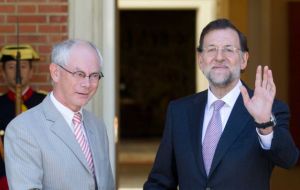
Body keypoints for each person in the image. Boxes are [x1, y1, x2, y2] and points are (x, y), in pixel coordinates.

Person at [144, 18, 299, 190]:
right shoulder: (179, 111)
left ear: (244, 60)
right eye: (211, 50)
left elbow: (289, 160)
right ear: (200, 60)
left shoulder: (269, 110)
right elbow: (160, 182)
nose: (219, 57)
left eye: (229, 50)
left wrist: (265, 124)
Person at [4, 39, 115, 190]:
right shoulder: (23, 129)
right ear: (55, 73)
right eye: (79, 74)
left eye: (94, 75)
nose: (87, 84)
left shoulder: (97, 126)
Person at [0, 44, 46, 190]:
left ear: (32, 71)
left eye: (24, 66)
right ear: (3, 72)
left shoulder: (45, 103)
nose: (18, 72)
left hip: (40, 178)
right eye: (12, 67)